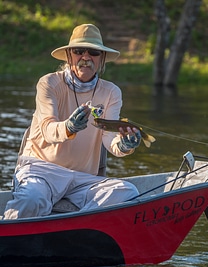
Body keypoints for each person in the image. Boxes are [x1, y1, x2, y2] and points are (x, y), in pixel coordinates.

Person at [3, 24, 141, 219]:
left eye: (93, 52)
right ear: (69, 56)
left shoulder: (112, 92)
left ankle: (77, 230)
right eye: (78, 51)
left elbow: (110, 139)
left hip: (83, 179)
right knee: (31, 200)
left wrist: (125, 145)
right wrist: (68, 127)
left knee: (127, 193)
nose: (85, 57)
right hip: (41, 170)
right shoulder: (49, 83)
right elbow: (47, 129)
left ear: (101, 59)